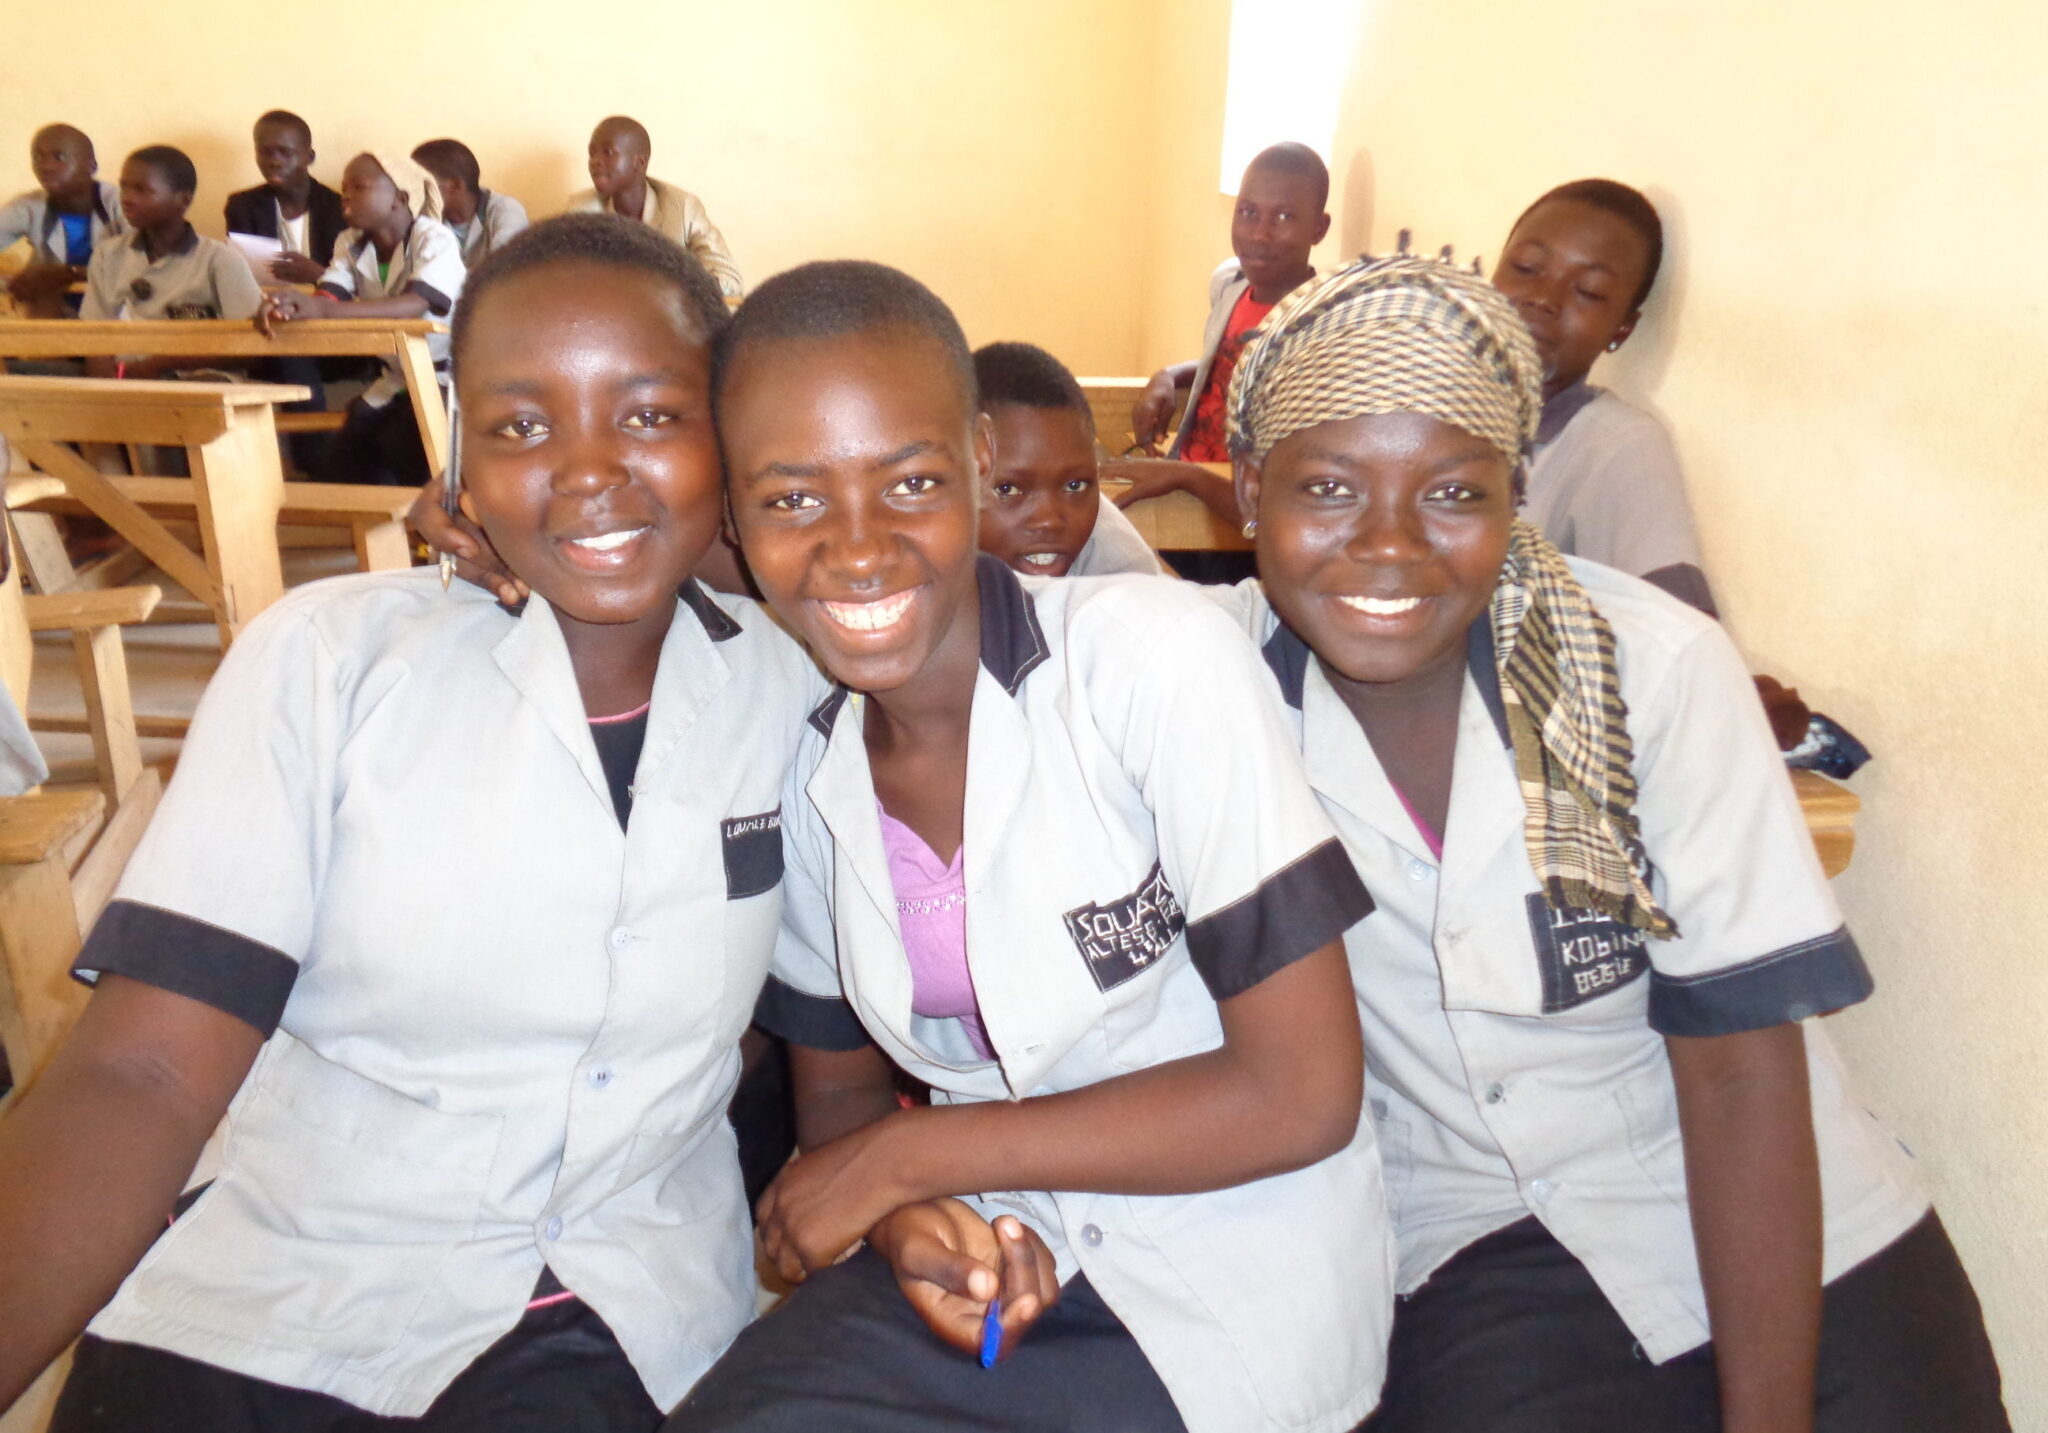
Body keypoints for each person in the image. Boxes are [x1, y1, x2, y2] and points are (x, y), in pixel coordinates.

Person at [0, 213, 829, 1432]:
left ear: (730, 436)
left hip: (613, 1310)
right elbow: (146, 1066)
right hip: (293, 1289)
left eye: (651, 414)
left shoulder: (795, 685)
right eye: (521, 426)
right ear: (458, 465)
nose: (590, 470)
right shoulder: (330, 659)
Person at [1212, 253, 2008, 1432]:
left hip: (1792, 1213)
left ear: (1513, 492)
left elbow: (1738, 1070)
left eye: (1452, 493)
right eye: (1325, 490)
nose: (1388, 545)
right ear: (1245, 492)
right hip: (1478, 1233)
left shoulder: (1651, 666)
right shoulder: (1198, 692)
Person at [664, 261, 1390, 1433]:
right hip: (999, 1251)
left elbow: (1300, 1093)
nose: (856, 549)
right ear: (734, 522)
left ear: (970, 463)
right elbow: (842, 1101)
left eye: (909, 481)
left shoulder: (1147, 662)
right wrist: (912, 1221)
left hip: (1229, 1265)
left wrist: (912, 1159)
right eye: (791, 500)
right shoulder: (805, 767)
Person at [1491, 178, 1715, 616]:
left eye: (1588, 291)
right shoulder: (1414, 396)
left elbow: (1678, 634)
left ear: (1621, 330)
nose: (1544, 298)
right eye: (1526, 267)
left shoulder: (1618, 446)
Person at [1115, 142, 1332, 580]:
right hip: (1185, 491)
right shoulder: (1231, 286)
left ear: (1319, 228)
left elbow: (1284, 502)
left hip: (1238, 526)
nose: (1260, 233)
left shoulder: (1316, 331)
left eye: (1285, 217)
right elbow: (1228, 360)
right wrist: (1169, 376)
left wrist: (1182, 477)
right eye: (1248, 212)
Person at [259, 151, 465, 486]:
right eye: (344, 188)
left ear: (400, 198)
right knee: (354, 439)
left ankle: (418, 528)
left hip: (446, 378)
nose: (346, 195)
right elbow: (329, 295)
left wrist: (322, 310)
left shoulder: (434, 239)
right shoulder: (350, 242)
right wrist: (289, 307)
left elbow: (414, 304)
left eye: (359, 186)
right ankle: (368, 522)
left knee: (408, 439)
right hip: (399, 374)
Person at [972, 340, 1159, 578]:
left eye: (1074, 486)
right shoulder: (920, 574)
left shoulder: (1118, 569)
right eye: (1007, 489)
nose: (1049, 521)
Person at [81, 147, 263, 346]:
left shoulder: (220, 260)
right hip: (122, 370)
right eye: (124, 187)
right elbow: (93, 333)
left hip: (198, 372)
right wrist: (106, 375)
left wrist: (155, 366)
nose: (127, 199)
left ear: (182, 201)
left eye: (142, 190)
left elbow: (249, 343)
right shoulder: (107, 255)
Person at [570, 116, 742, 299]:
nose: (595, 161)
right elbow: (566, 279)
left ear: (640, 162)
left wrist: (674, 289)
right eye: (592, 153)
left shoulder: (683, 208)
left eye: (608, 152)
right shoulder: (582, 210)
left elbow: (729, 280)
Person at [0, 124, 124, 316]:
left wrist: (68, 273)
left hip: (117, 313)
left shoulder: (121, 204)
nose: (46, 167)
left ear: (91, 166)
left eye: (59, 157)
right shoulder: (29, 206)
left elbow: (144, 265)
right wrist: (13, 283)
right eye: (37, 158)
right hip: (51, 312)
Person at [223, 111, 349, 286]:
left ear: (309, 157)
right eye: (265, 152)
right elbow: (240, 275)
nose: (274, 162)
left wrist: (319, 275)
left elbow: (357, 283)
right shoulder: (242, 207)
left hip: (328, 306)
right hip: (268, 305)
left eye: (285, 152)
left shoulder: (340, 208)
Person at [412, 138, 529, 266]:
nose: (414, 190)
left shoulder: (506, 210)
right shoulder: (425, 219)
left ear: (455, 186)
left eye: (424, 184)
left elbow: (503, 270)